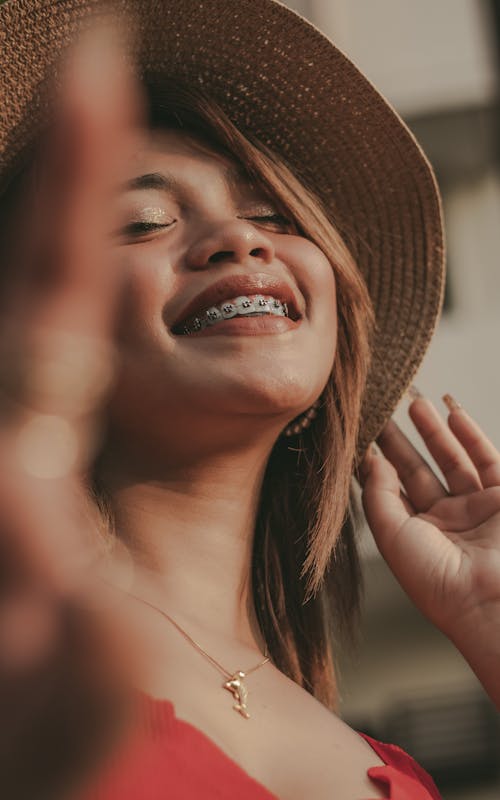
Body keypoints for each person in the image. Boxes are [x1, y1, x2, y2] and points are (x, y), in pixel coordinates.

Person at [0, 1, 499, 799]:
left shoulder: (400, 775)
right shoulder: (22, 660)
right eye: (141, 222)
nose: (243, 239)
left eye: (275, 215)